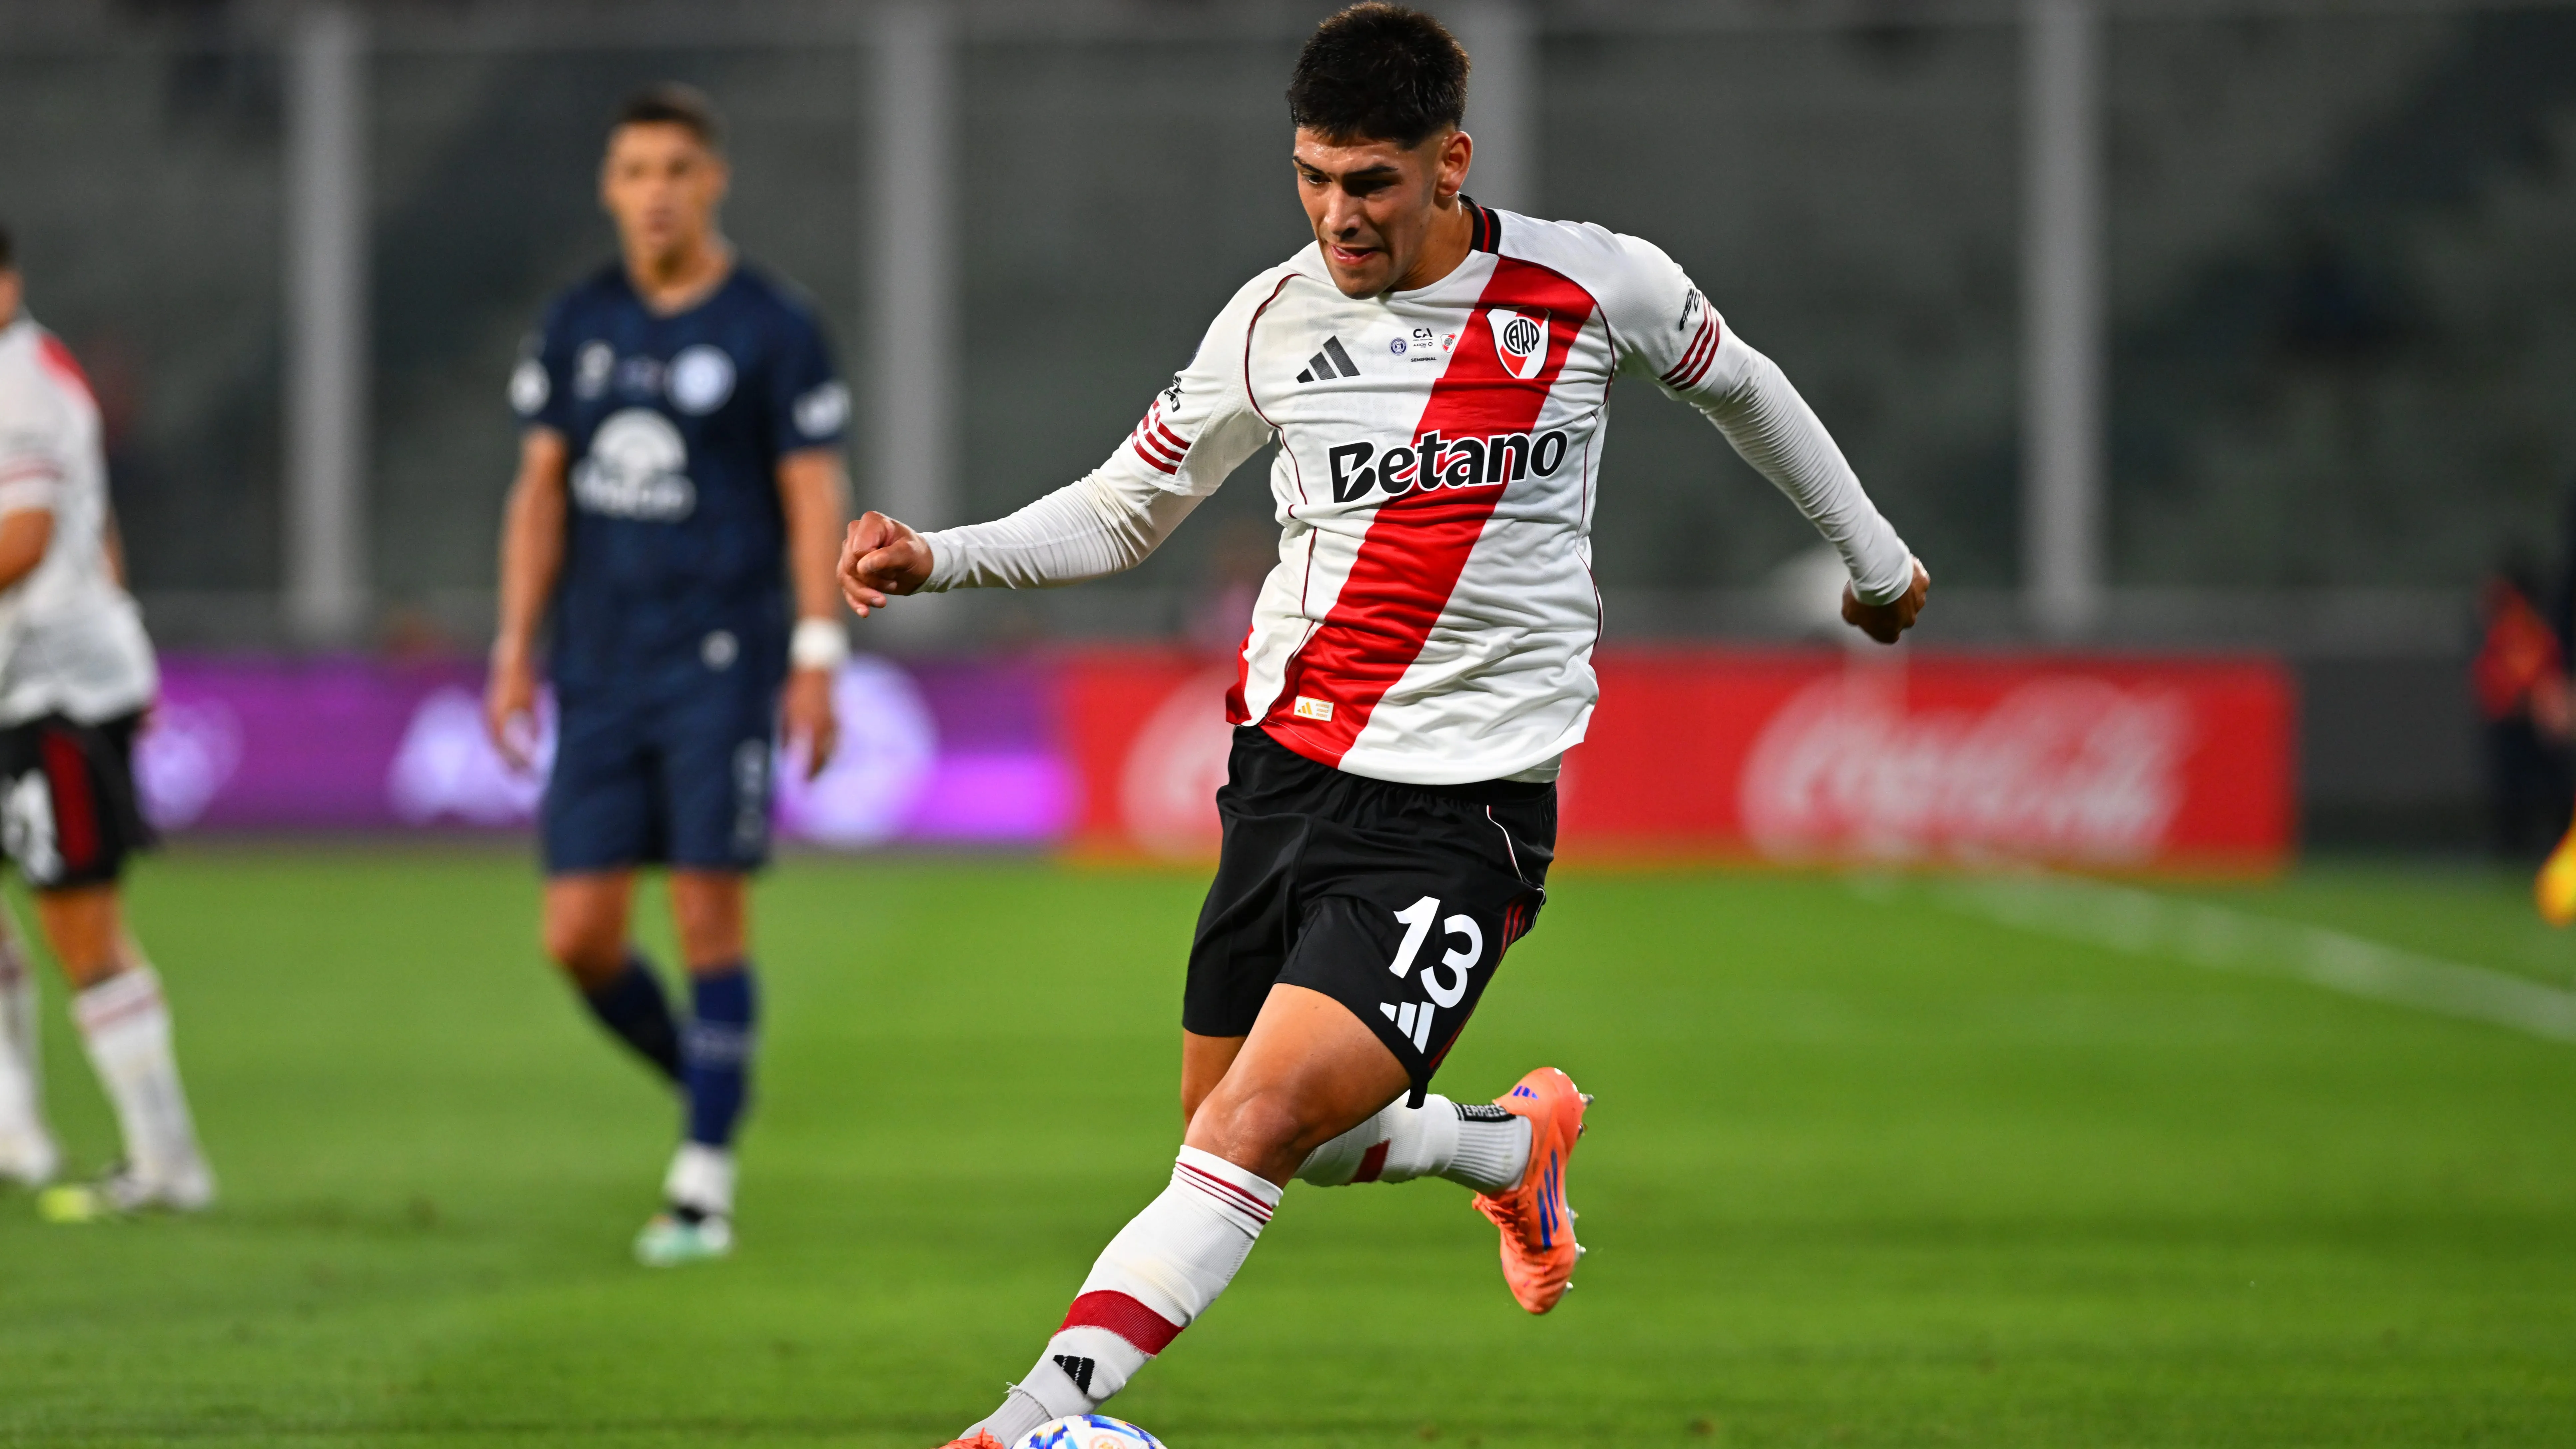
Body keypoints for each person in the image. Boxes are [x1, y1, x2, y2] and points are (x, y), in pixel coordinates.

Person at [835, 8, 1929, 1440]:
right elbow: (1126, 507)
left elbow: (1746, 390)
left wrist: (1876, 562)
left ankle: (1041, 1417)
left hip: (1460, 813)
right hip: (1282, 778)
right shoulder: (1272, 322)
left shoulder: (1593, 286)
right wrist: (941, 552)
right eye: (1312, 177)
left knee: (1250, 1131)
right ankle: (1503, 1144)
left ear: (1448, 162)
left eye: (1369, 182)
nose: (1336, 215)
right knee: (1251, 1129)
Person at [483, 85, 853, 1266]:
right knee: (577, 937)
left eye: (676, 169)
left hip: (720, 665)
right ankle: (710, 1081)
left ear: (712, 183)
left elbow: (811, 493)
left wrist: (815, 651)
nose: (655, 191)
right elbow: (540, 491)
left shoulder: (772, 327)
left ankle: (701, 1182)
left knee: (706, 913)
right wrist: (512, 649)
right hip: (596, 668)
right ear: (609, 185)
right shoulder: (578, 320)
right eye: (635, 169)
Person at [0, 219, 217, 1221]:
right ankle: (17, 1130)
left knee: (82, 926)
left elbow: (28, 538)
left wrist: (115, 652)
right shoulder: (39, 370)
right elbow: (97, 533)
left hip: (55, 694)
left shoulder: (20, 386)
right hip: (40, 681)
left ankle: (168, 1160)